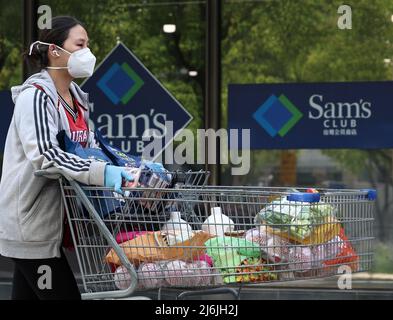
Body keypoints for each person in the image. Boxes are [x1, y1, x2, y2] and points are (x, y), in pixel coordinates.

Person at [0, 16, 133, 300]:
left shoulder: (77, 100)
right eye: (80, 44)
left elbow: (91, 149)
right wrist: (103, 173)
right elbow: (46, 156)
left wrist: (127, 168)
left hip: (57, 228)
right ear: (55, 50)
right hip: (32, 228)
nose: (88, 53)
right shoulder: (35, 97)